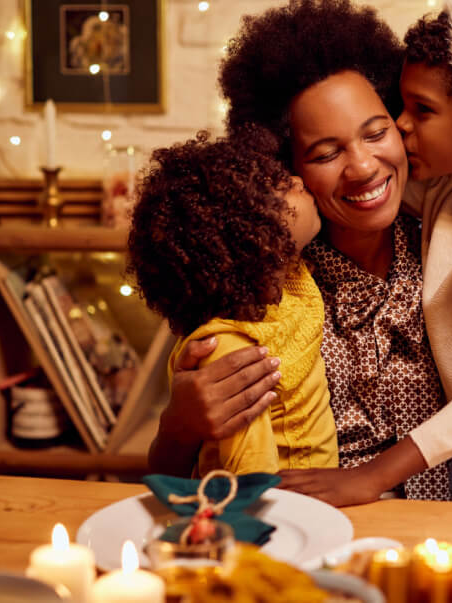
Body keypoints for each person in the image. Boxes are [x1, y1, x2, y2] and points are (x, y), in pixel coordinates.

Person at [148, 0, 452, 504]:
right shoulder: (260, 285)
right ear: (286, 166)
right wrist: (179, 426)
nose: (361, 167)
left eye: (378, 132)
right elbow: (172, 487)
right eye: (326, 151)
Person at [127, 129, 337, 476]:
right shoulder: (231, 349)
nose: (299, 181)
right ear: (256, 240)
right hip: (281, 509)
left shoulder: (290, 279)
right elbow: (252, 476)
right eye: (282, 188)